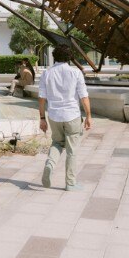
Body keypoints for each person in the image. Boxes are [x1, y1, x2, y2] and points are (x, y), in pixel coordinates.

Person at [38, 44, 92, 190]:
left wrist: (42, 118)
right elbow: (83, 96)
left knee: (57, 143)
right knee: (72, 150)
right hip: (72, 116)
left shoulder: (46, 74)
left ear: (54, 57)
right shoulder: (76, 73)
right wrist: (88, 115)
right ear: (69, 58)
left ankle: (50, 164)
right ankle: (70, 183)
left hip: (54, 116)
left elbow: (41, 98)